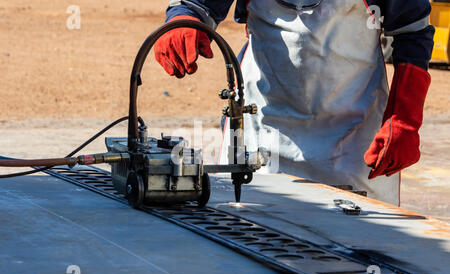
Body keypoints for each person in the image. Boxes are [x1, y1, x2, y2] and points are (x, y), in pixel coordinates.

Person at [154, 0, 434, 205]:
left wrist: (404, 120)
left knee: (361, 250)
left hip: (355, 136)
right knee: (249, 237)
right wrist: (183, 19)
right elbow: (198, 6)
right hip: (262, 124)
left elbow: (412, 33)